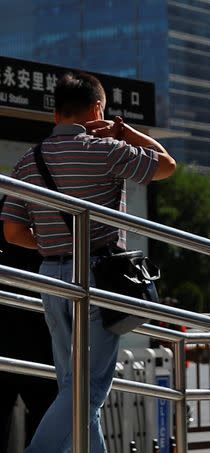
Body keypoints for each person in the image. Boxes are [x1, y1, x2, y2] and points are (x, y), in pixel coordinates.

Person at [1, 72, 176, 453]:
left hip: (51, 277)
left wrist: (53, 245)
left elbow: (12, 232)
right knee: (90, 389)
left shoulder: (28, 161)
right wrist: (125, 133)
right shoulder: (107, 150)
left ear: (55, 113)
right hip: (98, 278)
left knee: (73, 388)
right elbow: (166, 166)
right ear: (98, 109)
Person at [0, 197, 58, 450]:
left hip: (10, 336)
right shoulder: (54, 216)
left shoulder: (12, 199)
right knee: (46, 421)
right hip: (39, 342)